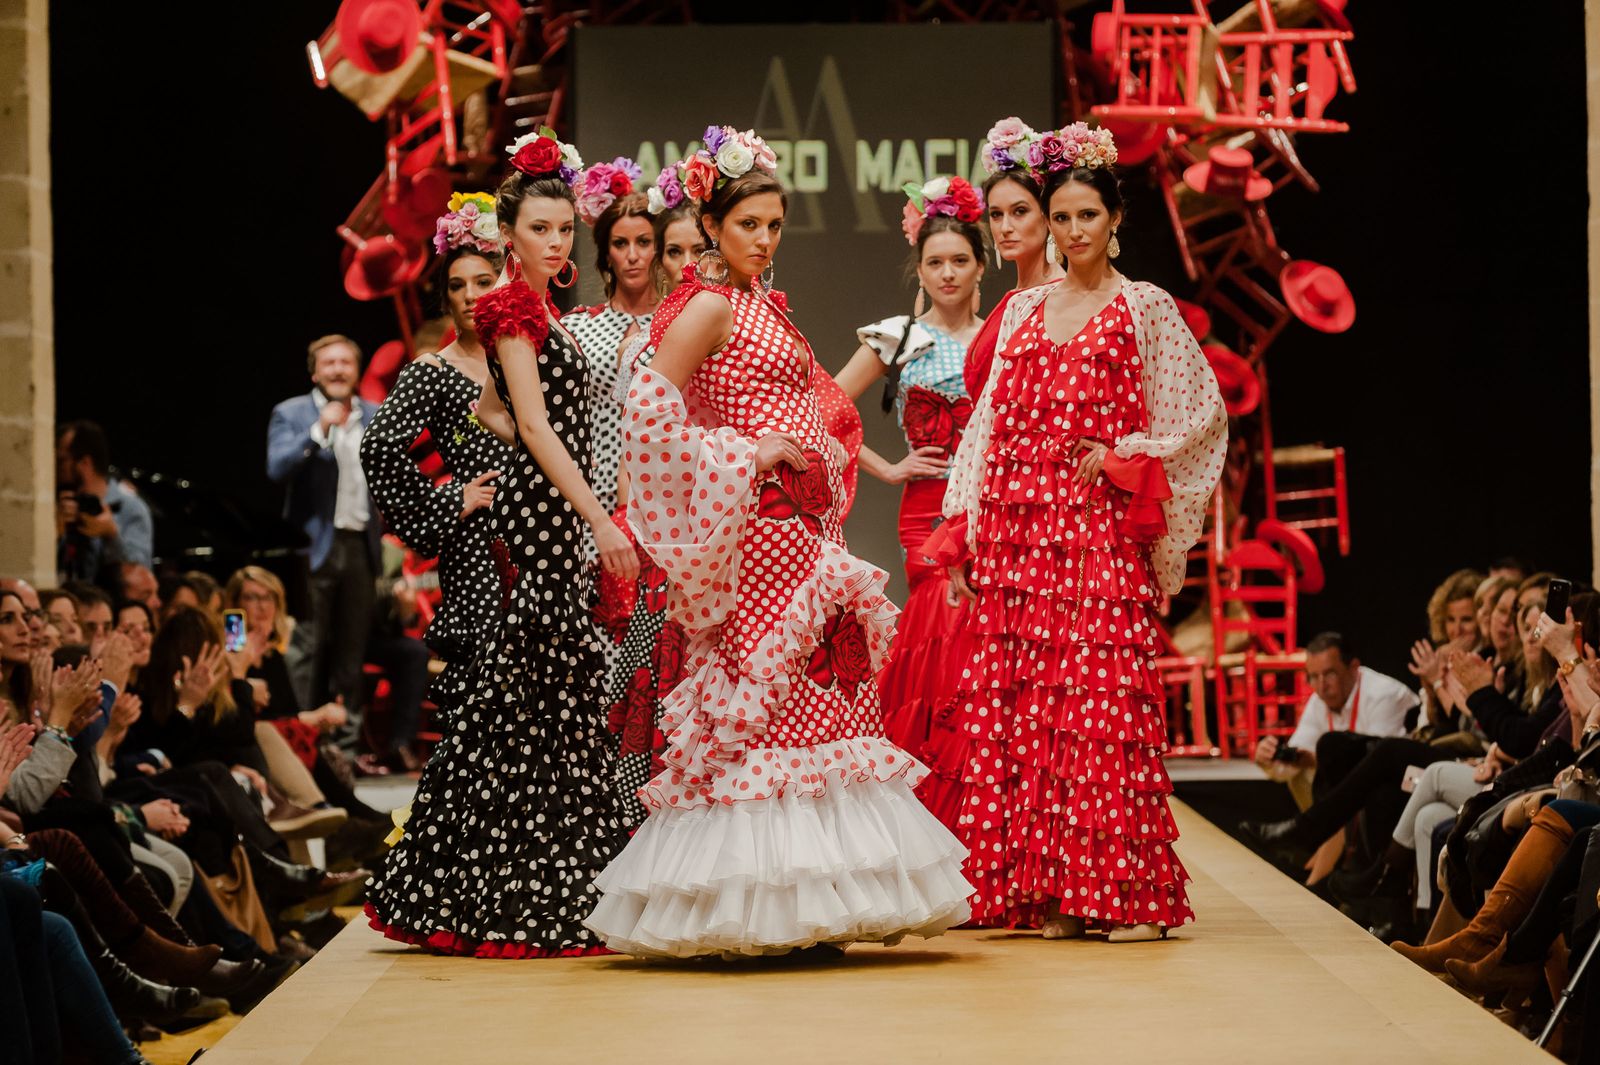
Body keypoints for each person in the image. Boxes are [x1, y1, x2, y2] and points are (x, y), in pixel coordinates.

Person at [584, 126, 973, 958]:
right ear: (715, 225)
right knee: (765, 707)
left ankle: (820, 900)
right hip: (757, 537)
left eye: (774, 224)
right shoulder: (710, 304)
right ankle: (756, 903)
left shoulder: (760, 303)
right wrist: (741, 452)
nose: (764, 239)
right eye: (749, 224)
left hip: (804, 536)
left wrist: (839, 459)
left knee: (819, 699)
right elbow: (648, 410)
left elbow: (822, 405)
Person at [938, 123, 1227, 942]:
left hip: (1095, 532)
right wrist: (965, 525)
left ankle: (1118, 893)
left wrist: (1128, 452)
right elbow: (987, 425)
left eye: (1086, 216)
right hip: (1020, 534)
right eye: (1059, 218)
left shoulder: (1145, 307)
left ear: (1114, 220)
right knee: (1032, 710)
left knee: (1099, 707)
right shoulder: (1026, 305)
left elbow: (1202, 412)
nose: (1071, 232)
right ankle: (1055, 891)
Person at [365, 128, 635, 957]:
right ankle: (524, 883)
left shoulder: (537, 311)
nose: (556, 243)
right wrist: (593, 513)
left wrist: (565, 484)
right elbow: (528, 420)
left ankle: (483, 876)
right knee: (545, 693)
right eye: (539, 231)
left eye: (563, 231)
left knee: (535, 699)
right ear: (510, 237)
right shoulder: (513, 308)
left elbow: (498, 412)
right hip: (548, 520)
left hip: (545, 508)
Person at [830, 175, 986, 829]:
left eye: (959, 259)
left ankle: (979, 826)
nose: (947, 272)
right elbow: (824, 409)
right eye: (935, 262)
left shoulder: (1001, 333)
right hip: (926, 513)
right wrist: (888, 467)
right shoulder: (898, 335)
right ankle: (931, 826)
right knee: (937, 648)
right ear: (918, 266)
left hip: (989, 512)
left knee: (981, 653)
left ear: (982, 262)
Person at [360, 193, 514, 733]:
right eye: (456, 286)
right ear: (444, 299)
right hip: (477, 549)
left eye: (482, 282)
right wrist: (452, 498)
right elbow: (378, 446)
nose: (470, 296)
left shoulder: (530, 353)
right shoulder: (434, 370)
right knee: (482, 690)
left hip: (540, 542)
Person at [267, 334, 384, 752]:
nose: (337, 370)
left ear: (356, 370)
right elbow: (277, 468)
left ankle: (344, 750)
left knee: (351, 652)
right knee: (304, 648)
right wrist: (319, 430)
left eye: (345, 363)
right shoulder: (292, 413)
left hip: (359, 546)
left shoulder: (374, 415)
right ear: (315, 372)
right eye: (328, 363)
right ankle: (295, 741)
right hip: (313, 549)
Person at [962, 117, 1066, 402]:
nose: (1005, 227)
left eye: (1019, 211)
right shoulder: (1014, 300)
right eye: (996, 214)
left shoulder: (1064, 298)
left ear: (1047, 217)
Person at [1253, 632, 1419, 806]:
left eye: (1330, 674)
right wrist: (1269, 760)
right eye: (1314, 677)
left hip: (1406, 784)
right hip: (1360, 785)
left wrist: (1320, 760)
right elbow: (1295, 758)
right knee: (1301, 773)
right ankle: (1321, 832)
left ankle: (1319, 831)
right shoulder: (1319, 701)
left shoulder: (1384, 695)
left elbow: (1378, 766)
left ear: (1353, 668)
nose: (1322, 686)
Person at [55, 420, 155, 578]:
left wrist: (111, 535)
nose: (55, 467)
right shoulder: (61, 507)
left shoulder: (131, 509)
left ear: (85, 463)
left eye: (62, 461)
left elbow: (141, 575)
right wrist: (56, 533)